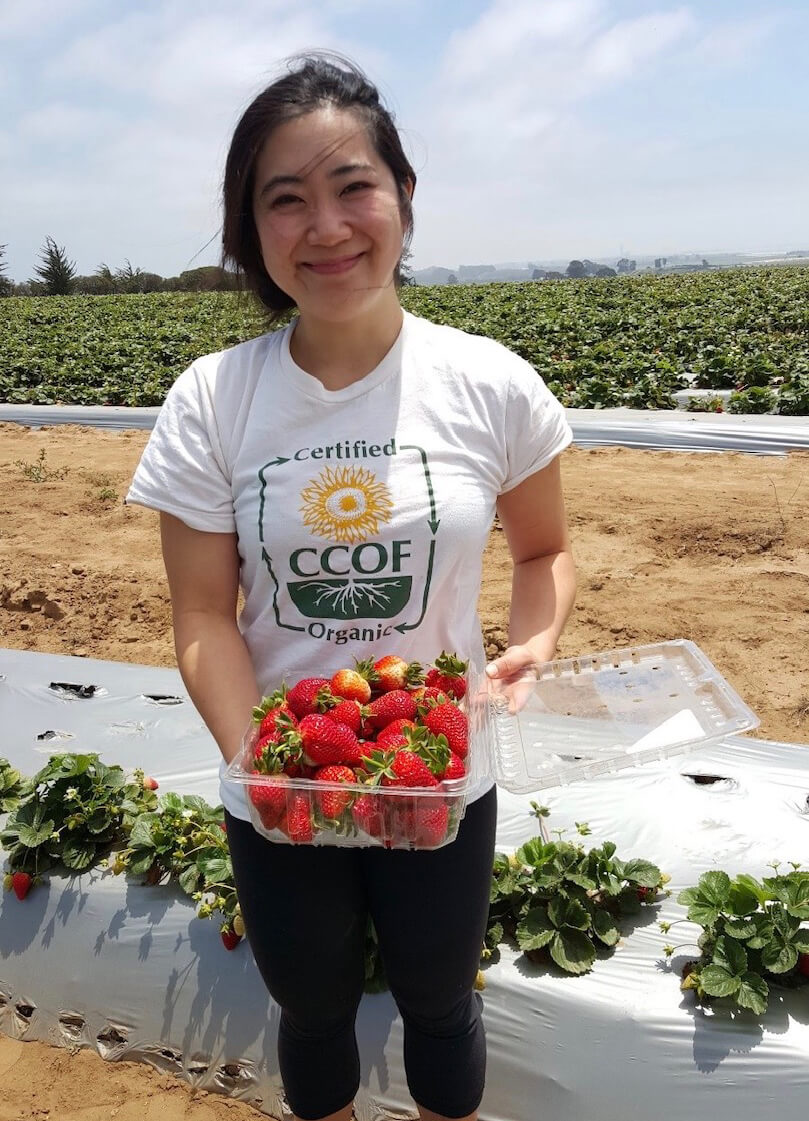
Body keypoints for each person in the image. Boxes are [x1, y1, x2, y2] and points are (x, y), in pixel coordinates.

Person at [126, 52, 576, 1121]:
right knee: (313, 1004)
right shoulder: (214, 400)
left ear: (403, 197)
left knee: (437, 998)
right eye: (285, 199)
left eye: (351, 186)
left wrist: (533, 640)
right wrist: (273, 772)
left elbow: (543, 551)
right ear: (250, 229)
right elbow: (200, 613)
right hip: (279, 787)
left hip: (436, 776)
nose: (324, 226)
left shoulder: (489, 383)